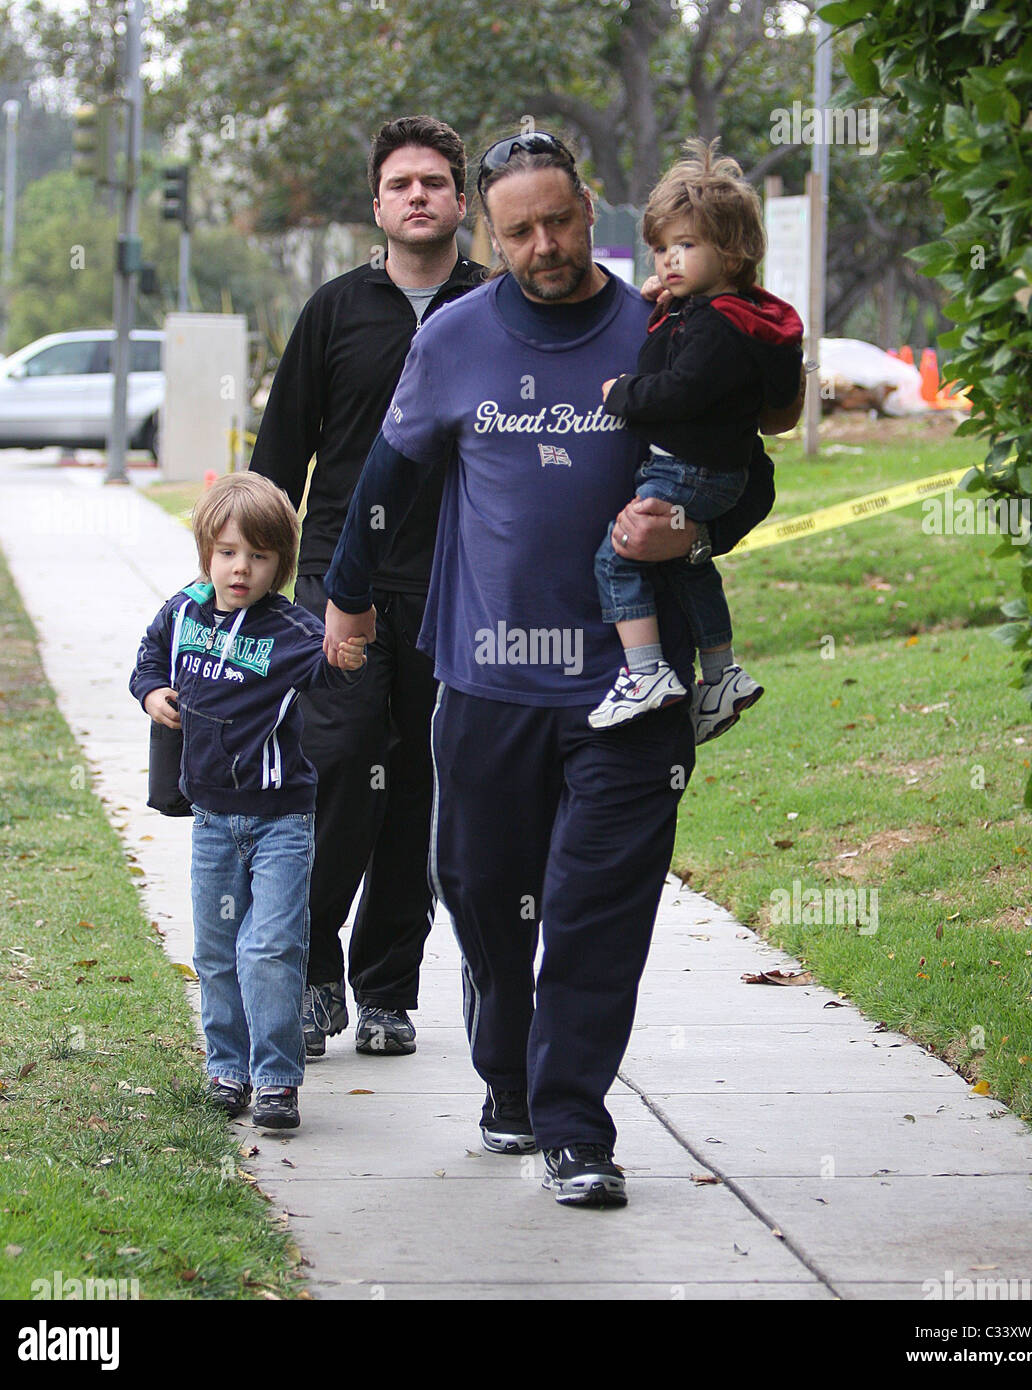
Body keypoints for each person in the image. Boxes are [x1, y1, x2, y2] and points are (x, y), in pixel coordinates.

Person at [321, 132, 713, 1208]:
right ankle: (510, 1081)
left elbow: (745, 476)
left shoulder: (661, 333)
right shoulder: (453, 339)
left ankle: (575, 1124)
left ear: (592, 211)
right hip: (487, 686)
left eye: (562, 220)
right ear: (491, 234)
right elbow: (384, 487)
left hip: (631, 687)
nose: (545, 244)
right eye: (522, 229)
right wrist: (347, 598)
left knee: (595, 913)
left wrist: (694, 530)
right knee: (488, 898)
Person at [250, 116, 488, 1060]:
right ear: (378, 205)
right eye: (401, 184)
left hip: (458, 588)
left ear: (460, 201)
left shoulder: (494, 311)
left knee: (421, 786)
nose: (419, 196)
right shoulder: (335, 312)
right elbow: (276, 464)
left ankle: (388, 989)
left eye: (435, 181)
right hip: (338, 583)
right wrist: (251, 593)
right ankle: (312, 972)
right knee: (340, 769)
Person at [129, 473, 366, 1131]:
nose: (241, 568)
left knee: (270, 948)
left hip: (280, 823)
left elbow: (331, 666)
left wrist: (348, 651)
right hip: (211, 818)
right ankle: (225, 1069)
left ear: (279, 565)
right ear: (206, 551)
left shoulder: (291, 630)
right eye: (229, 552)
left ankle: (276, 1081)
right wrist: (152, 696)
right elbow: (147, 662)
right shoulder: (182, 614)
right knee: (214, 949)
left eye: (259, 557)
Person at [589, 141, 804, 735]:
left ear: (732, 251)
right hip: (720, 473)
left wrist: (621, 394)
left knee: (618, 552)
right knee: (690, 562)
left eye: (686, 246)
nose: (668, 262)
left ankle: (645, 670)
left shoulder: (714, 327)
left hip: (685, 469)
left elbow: (680, 390)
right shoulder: (747, 317)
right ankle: (721, 672)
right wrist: (671, 307)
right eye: (660, 250)